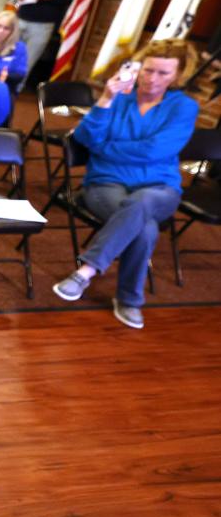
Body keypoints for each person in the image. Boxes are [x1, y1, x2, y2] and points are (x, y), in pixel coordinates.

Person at [51, 40, 199, 329]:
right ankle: (129, 299)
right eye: (149, 70)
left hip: (161, 189)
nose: (153, 79)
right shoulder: (119, 96)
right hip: (105, 182)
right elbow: (85, 139)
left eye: (163, 74)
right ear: (139, 68)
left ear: (177, 76)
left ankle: (87, 270)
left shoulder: (184, 107)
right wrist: (106, 97)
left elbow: (156, 150)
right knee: (144, 227)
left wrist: (106, 148)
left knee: (143, 202)